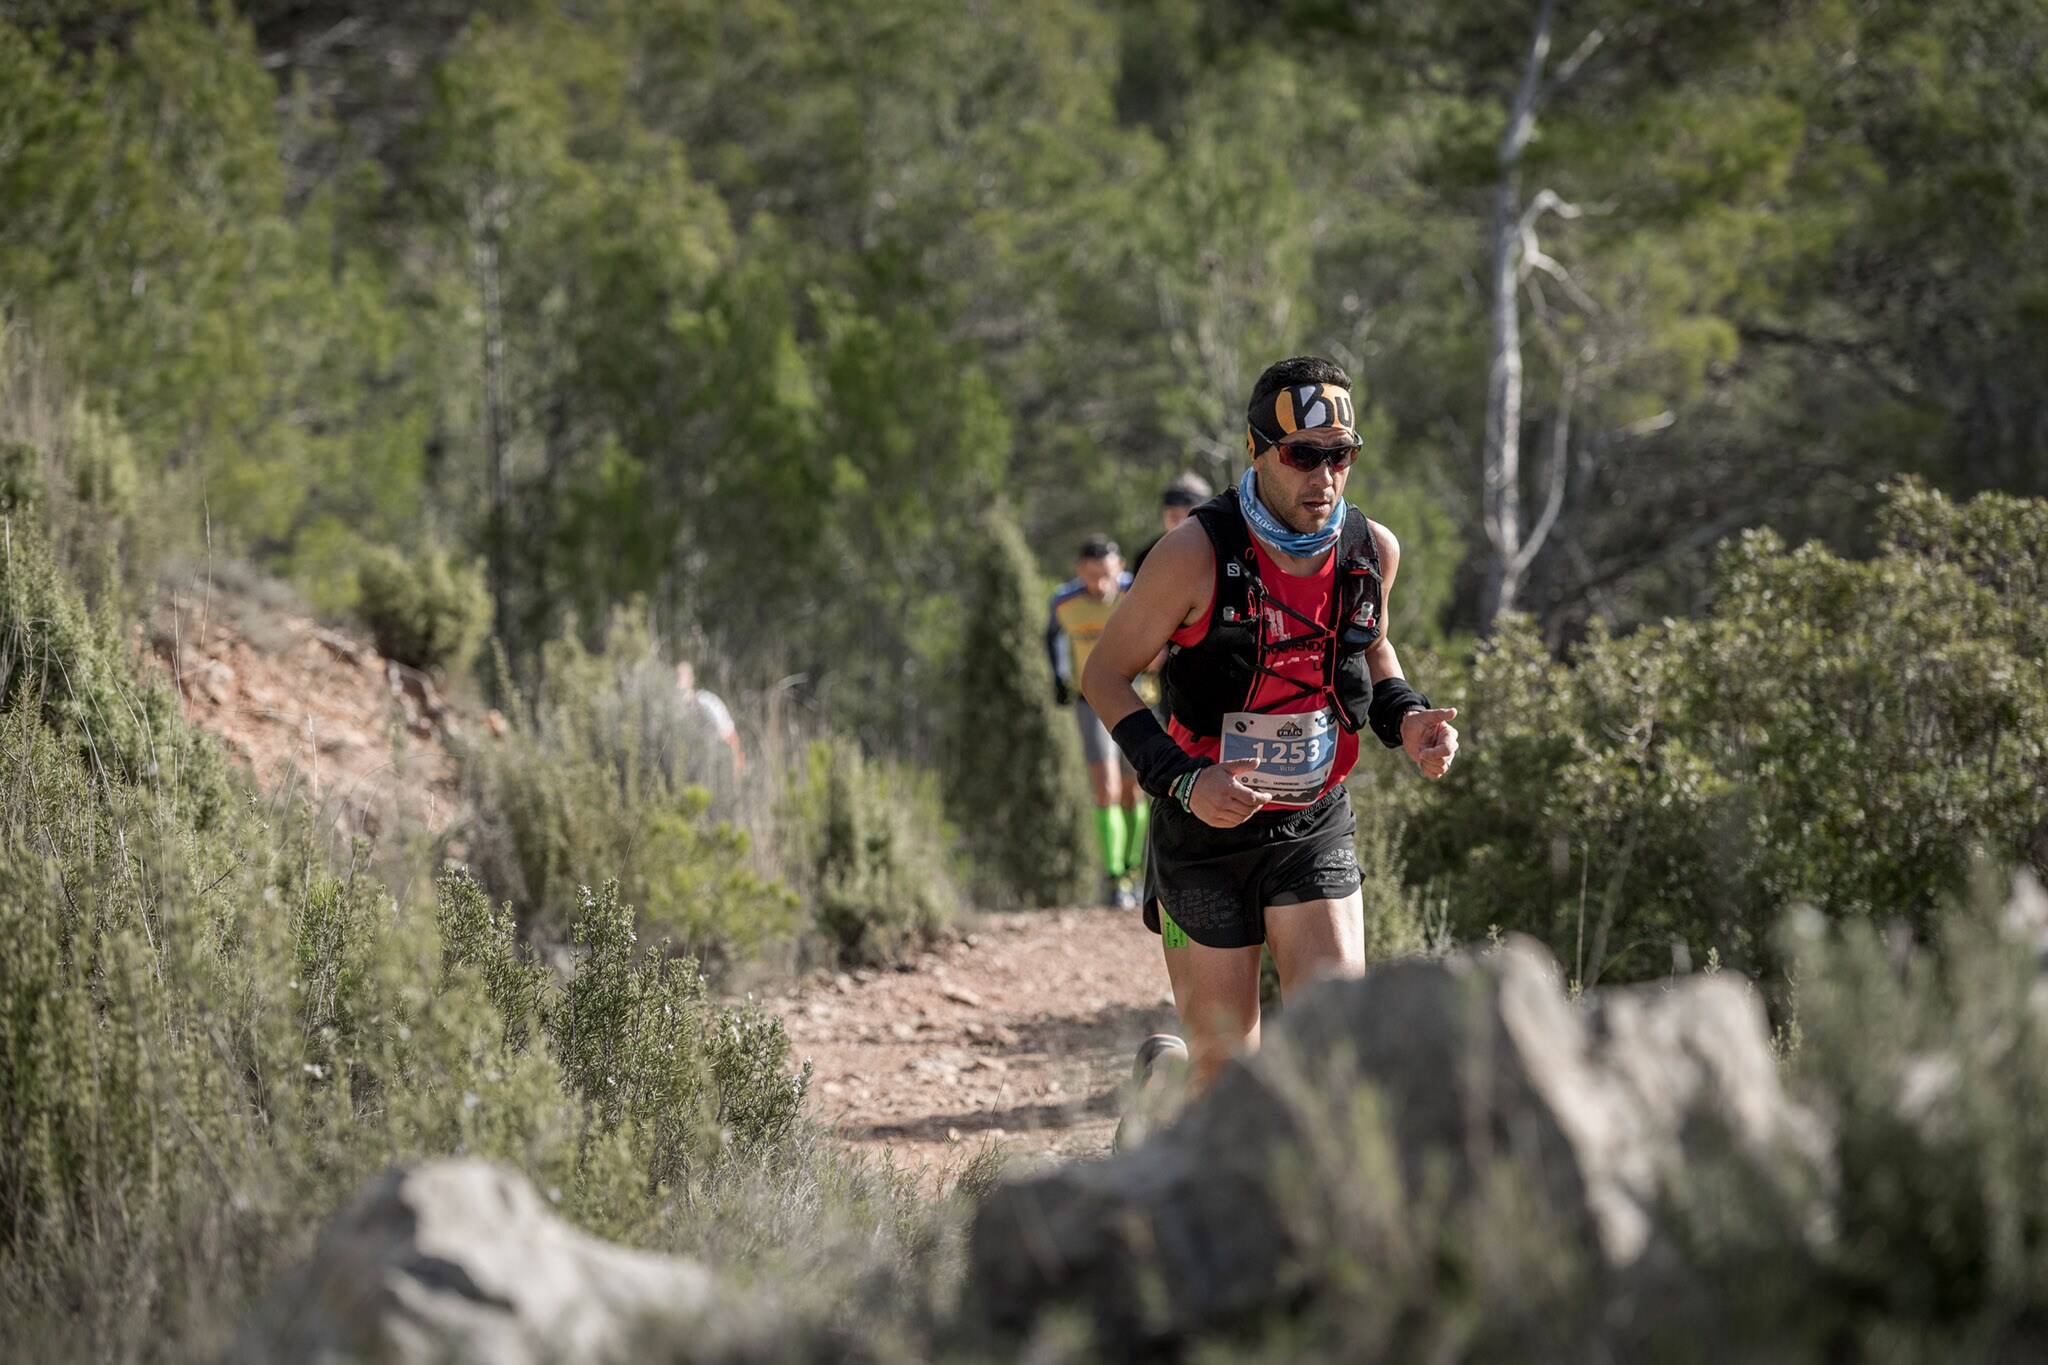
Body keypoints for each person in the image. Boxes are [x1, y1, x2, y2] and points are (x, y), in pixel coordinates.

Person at [1082, 356, 1458, 1100]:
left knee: (1335, 1047)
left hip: (1312, 822)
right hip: (1204, 835)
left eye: (1340, 455)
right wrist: (1186, 780)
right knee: (1225, 1076)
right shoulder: (1192, 553)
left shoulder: (1370, 549)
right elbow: (1104, 676)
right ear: (1257, 451)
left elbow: (1369, 645)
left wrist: (1408, 717)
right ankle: (1164, 1093)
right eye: (1303, 455)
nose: (1325, 475)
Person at [1046, 536, 1146, 910]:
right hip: (1090, 701)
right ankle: (1114, 876)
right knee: (1104, 788)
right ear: (1079, 572)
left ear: (1119, 567)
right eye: (1091, 577)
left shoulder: (1136, 591)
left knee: (1132, 789)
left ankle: (1134, 869)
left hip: (1137, 698)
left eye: (1106, 575)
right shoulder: (1063, 602)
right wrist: (1059, 678)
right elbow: (1052, 639)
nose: (1100, 585)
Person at [1131, 471, 1213, 574]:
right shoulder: (1148, 557)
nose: (1179, 522)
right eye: (1173, 515)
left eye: (1187, 516)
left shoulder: (1220, 555)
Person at [675, 660, 745, 777]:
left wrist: (735, 765)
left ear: (691, 679)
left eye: (681, 675)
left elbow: (729, 735)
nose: (678, 680)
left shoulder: (707, 702)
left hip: (717, 764)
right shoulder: (675, 710)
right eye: (676, 675)